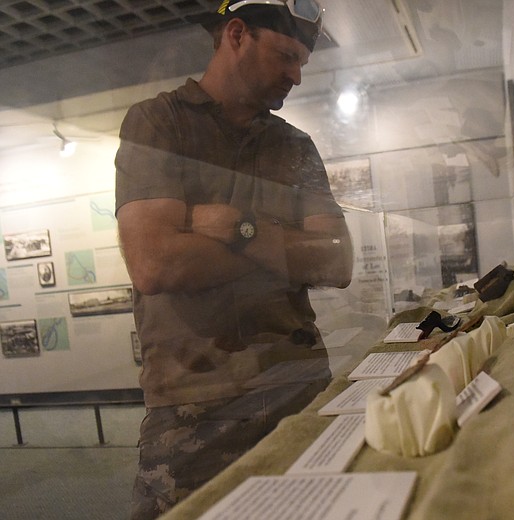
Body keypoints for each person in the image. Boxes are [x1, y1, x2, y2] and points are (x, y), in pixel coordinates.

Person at [114, 1, 353, 518]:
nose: (295, 75)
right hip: (198, 401)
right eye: (286, 55)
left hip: (297, 386)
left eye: (302, 63)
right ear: (237, 34)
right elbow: (157, 265)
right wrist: (285, 246)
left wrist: (236, 230)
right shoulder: (158, 122)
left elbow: (337, 263)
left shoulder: (294, 145)